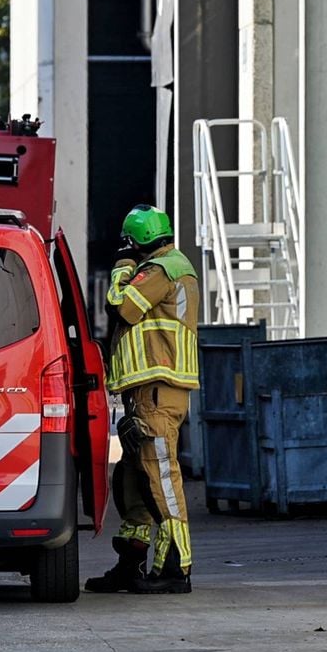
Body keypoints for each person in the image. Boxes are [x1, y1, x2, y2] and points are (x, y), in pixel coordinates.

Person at [85, 204, 200, 594]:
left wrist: (121, 268)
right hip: (144, 390)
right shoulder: (164, 267)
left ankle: (174, 567)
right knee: (133, 481)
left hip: (158, 387)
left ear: (135, 241)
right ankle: (130, 563)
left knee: (160, 477)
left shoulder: (162, 269)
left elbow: (123, 306)